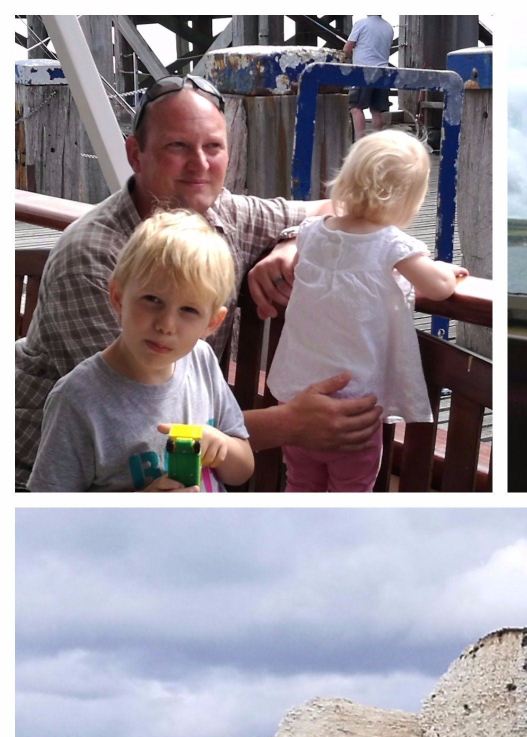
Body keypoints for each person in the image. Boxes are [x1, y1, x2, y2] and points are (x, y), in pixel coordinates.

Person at [15, 74, 383, 490]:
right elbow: (139, 426)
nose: (200, 164)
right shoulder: (93, 258)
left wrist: (293, 240)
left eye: (213, 147)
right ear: (135, 154)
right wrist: (291, 423)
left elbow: (342, 207)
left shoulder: (224, 213)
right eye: (177, 146)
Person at [266, 130, 467, 491]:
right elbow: (437, 288)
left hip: (299, 401)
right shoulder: (390, 244)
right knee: (351, 490)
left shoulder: (312, 232)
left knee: (301, 484)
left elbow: (302, 268)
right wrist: (446, 270)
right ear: (408, 199)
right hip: (353, 411)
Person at [29, 210, 254, 492]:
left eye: (188, 310)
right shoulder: (78, 399)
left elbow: (242, 469)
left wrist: (222, 447)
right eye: (152, 299)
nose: (166, 325)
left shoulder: (202, 361)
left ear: (212, 322)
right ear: (118, 298)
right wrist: (139, 508)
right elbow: (50, 516)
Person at [344, 15, 394, 136]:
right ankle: (376, 144)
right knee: (376, 110)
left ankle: (360, 143)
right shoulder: (389, 27)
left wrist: (352, 55)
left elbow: (346, 49)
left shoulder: (361, 23)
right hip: (383, 72)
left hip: (364, 71)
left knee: (356, 108)